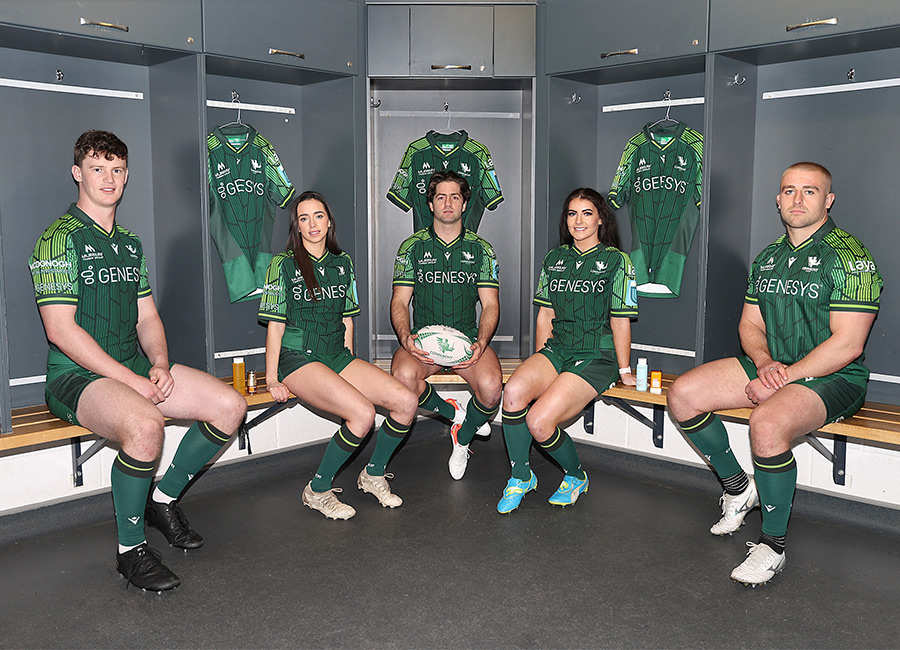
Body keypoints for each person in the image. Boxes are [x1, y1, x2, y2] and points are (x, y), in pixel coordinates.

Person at [28, 130, 248, 592]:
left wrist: (161, 364)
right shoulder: (56, 240)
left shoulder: (129, 243)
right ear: (77, 174)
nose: (108, 178)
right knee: (146, 425)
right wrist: (132, 380)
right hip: (75, 378)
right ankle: (130, 551)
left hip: (131, 366)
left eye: (116, 170)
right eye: (97, 168)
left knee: (230, 407)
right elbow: (60, 330)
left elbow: (148, 316)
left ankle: (161, 501)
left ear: (126, 177)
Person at [667, 162, 882, 586]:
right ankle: (737, 487)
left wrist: (785, 378)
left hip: (835, 377)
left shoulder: (851, 256)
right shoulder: (769, 257)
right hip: (778, 365)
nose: (797, 200)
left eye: (809, 191)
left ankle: (772, 545)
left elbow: (848, 344)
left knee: (766, 424)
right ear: (778, 198)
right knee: (684, 394)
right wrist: (766, 364)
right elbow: (750, 326)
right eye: (789, 191)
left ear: (828, 199)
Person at [260, 191, 418, 520]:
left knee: (406, 402)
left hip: (336, 355)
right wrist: (273, 377)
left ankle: (373, 475)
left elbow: (347, 319)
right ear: (297, 227)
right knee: (362, 415)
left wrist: (349, 363)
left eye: (318, 216)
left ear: (329, 221)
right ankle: (317, 490)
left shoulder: (343, 263)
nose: (312, 224)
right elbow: (274, 326)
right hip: (297, 357)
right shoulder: (283, 264)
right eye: (304, 218)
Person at [497, 188, 638, 513]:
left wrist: (624, 370)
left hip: (595, 355)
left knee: (539, 422)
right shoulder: (554, 259)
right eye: (572, 213)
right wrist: (538, 361)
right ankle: (521, 476)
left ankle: (576, 476)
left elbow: (620, 321)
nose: (579, 220)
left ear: (601, 218)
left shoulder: (618, 261)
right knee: (515, 391)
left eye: (587, 213)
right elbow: (545, 315)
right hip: (558, 349)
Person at [390, 170, 503, 480]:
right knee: (401, 378)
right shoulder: (411, 246)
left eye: (455, 197)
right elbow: (400, 302)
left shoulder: (482, 249)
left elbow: (491, 304)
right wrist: (406, 339)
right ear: (430, 204)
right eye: (441, 197)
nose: (448, 203)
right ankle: (453, 411)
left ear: (465, 204)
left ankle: (462, 437)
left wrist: (480, 341)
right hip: (424, 339)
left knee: (492, 389)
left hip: (466, 338)